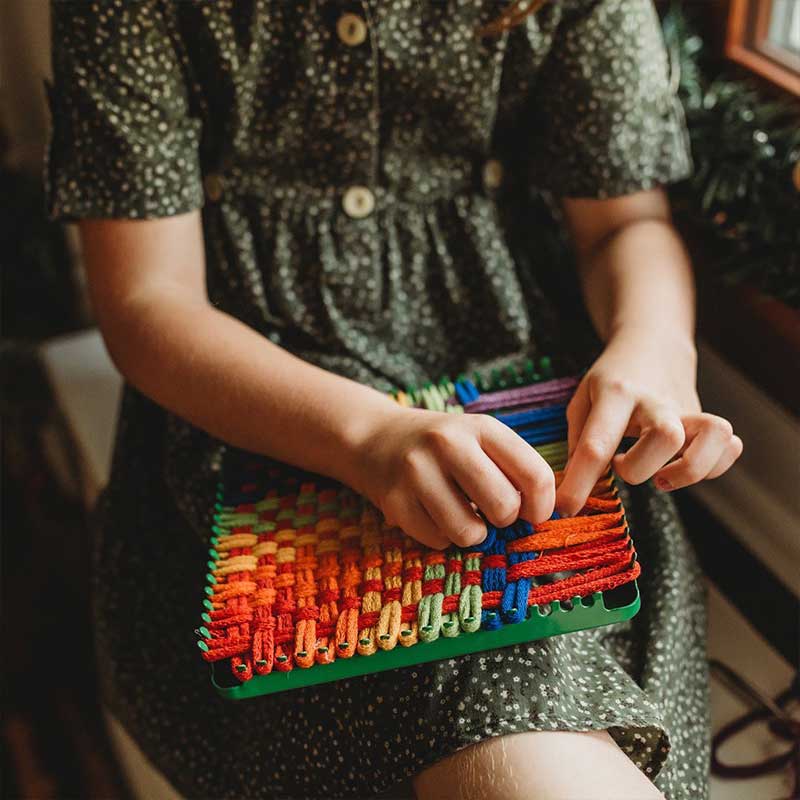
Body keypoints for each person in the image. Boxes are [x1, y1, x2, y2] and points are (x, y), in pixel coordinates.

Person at [45, 1, 742, 798]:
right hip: (262, 408)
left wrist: (653, 345)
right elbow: (146, 303)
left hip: (530, 384)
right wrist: (368, 438)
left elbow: (625, 222)